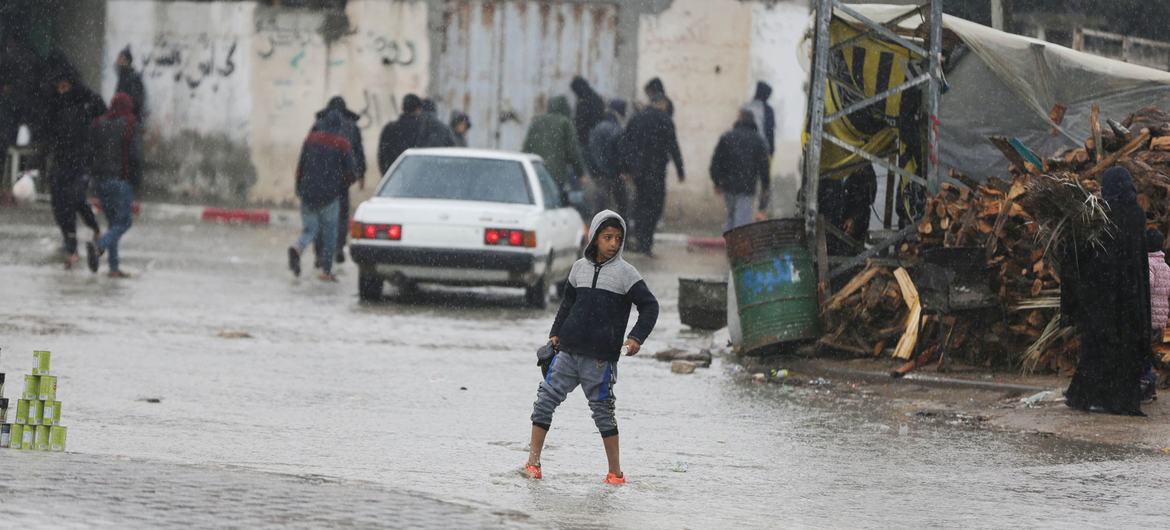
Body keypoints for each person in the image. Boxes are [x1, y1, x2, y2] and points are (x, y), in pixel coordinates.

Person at [524, 210, 659, 485]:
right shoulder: (578, 269)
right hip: (568, 353)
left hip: (600, 360)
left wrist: (636, 338)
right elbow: (567, 305)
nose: (613, 243)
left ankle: (615, 473)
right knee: (545, 401)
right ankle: (533, 462)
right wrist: (555, 335)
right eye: (607, 237)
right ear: (594, 238)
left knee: (603, 412)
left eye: (618, 238)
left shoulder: (626, 274)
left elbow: (650, 306)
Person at [1061, 166, 1150, 416]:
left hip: (1104, 298)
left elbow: (1088, 256)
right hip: (1131, 297)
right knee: (1125, 349)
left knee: (1099, 348)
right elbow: (1137, 259)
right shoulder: (1136, 215)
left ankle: (1091, 396)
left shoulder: (1102, 216)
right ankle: (1121, 400)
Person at [288, 108, 359, 282]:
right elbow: (352, 172)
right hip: (329, 195)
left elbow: (300, 167)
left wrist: (299, 188)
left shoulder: (310, 139)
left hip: (307, 192)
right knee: (329, 233)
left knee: (310, 229)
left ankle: (298, 247)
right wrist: (341, 185)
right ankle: (327, 271)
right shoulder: (342, 143)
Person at [46, 66, 106, 269]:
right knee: (61, 205)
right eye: (59, 87)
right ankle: (71, 245)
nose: (62, 91)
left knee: (75, 200)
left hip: (80, 163)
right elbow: (50, 132)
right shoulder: (56, 107)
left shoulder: (84, 103)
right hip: (61, 163)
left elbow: (101, 110)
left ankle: (86, 238)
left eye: (65, 87)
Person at [618, 95, 683, 256]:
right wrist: (680, 170)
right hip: (657, 171)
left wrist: (626, 168)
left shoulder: (637, 118)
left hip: (639, 171)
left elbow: (626, 143)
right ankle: (646, 241)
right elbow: (673, 146)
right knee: (655, 207)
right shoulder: (666, 120)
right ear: (661, 104)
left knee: (640, 204)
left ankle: (640, 238)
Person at [85, 92, 141, 278]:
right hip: (120, 181)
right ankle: (99, 246)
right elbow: (134, 155)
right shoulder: (130, 123)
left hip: (101, 182)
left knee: (113, 225)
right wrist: (136, 179)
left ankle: (114, 268)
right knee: (124, 222)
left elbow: (91, 151)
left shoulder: (98, 123)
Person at [311, 96, 365, 267]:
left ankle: (320, 253)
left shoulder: (318, 126)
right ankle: (338, 248)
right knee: (341, 216)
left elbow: (308, 151)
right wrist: (359, 175)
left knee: (321, 217)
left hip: (319, 180)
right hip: (341, 181)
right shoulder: (352, 128)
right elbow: (358, 154)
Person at [710, 108, 770, 232]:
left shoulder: (727, 137)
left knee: (730, 217)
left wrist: (717, 182)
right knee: (742, 221)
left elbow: (716, 162)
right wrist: (765, 185)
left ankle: (730, 246)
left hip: (728, 185)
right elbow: (764, 166)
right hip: (747, 187)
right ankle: (738, 248)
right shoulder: (758, 140)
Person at [522, 95, 586, 194]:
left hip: (535, 171)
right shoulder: (564, 123)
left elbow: (526, 148)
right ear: (565, 107)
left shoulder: (536, 121)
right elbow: (573, 151)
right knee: (553, 203)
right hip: (555, 174)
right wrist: (580, 173)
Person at [586, 99, 628, 216]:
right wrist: (620, 169)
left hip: (598, 172)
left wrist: (594, 169)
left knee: (601, 203)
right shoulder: (616, 129)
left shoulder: (598, 127)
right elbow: (618, 151)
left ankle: (597, 228)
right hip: (612, 172)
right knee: (621, 204)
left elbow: (590, 151)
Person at [1145, 228, 1169, 401]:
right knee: (1149, 350)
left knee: (1143, 351)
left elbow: (1148, 284)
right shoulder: (1165, 266)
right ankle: (1150, 386)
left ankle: (1147, 385)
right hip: (1160, 317)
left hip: (1149, 314)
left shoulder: (1148, 263)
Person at [377, 94, 423, 175]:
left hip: (395, 176)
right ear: (418, 109)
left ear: (403, 108)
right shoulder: (423, 128)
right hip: (417, 177)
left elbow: (382, 156)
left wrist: (387, 175)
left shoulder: (390, 128)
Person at [570, 76, 605, 150]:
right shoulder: (595, 97)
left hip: (586, 137)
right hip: (596, 135)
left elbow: (580, 121)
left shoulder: (584, 101)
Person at [114, 46, 146, 122]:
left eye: (120, 58)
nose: (117, 61)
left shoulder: (132, 77)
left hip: (129, 121)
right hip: (122, 120)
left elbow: (136, 101)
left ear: (127, 61)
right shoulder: (122, 76)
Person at [745, 81, 776, 157]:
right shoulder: (767, 110)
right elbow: (770, 131)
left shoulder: (746, 107)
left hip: (745, 148)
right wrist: (771, 150)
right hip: (761, 149)